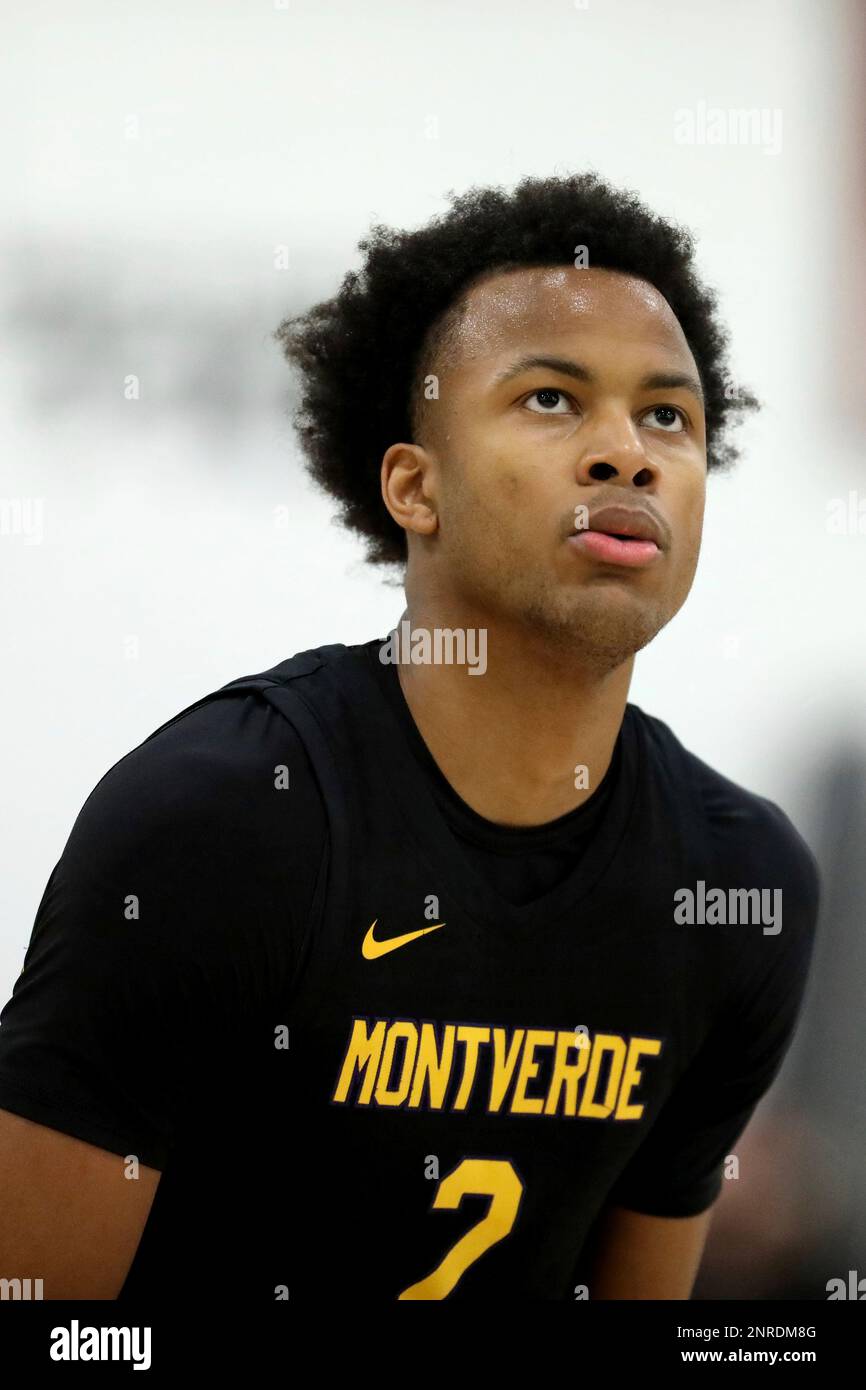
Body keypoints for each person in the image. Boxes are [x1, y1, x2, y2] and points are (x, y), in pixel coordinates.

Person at [0, 172, 820, 1301]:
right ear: (412, 486)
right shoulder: (218, 820)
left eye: (665, 415)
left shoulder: (737, 880)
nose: (624, 452)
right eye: (549, 398)